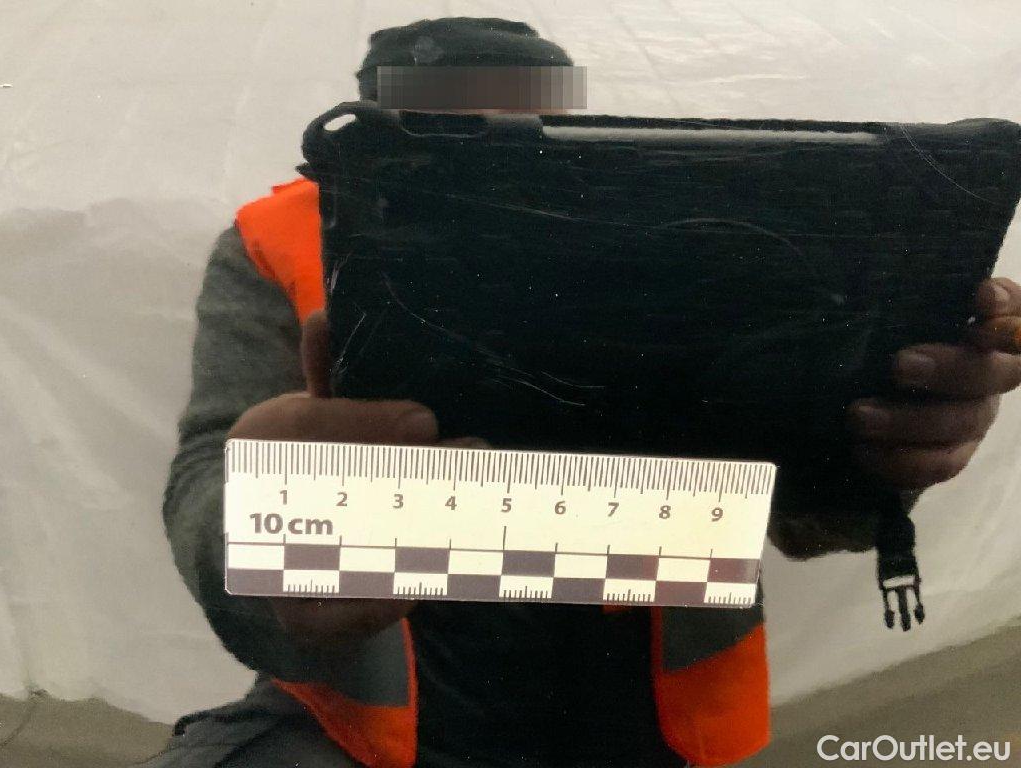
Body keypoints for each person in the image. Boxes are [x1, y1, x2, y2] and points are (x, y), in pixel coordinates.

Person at [143, 17, 1021, 768]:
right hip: (371, 707)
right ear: (378, 120)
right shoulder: (274, 236)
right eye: (447, 118)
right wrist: (263, 543)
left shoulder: (671, 214)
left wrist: (875, 459)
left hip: (643, 704)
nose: (492, 136)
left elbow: (798, 511)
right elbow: (209, 469)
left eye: (527, 115)